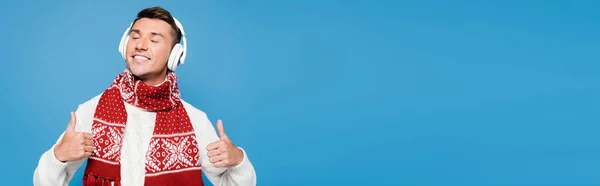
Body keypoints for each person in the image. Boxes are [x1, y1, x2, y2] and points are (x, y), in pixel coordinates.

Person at [33, 6, 256, 186]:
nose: (140, 45)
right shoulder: (91, 111)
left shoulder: (195, 120)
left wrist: (238, 161)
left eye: (154, 39)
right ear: (124, 45)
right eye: (135, 37)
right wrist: (58, 157)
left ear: (175, 54)